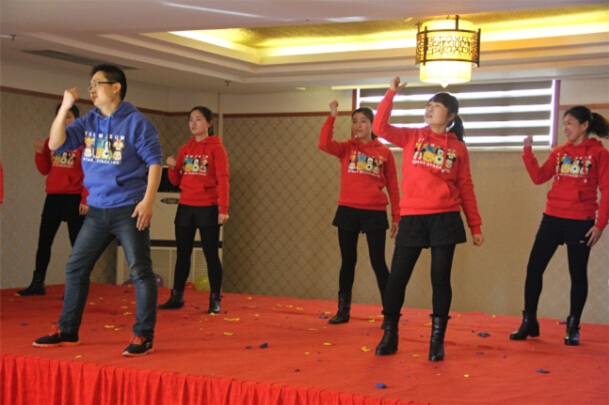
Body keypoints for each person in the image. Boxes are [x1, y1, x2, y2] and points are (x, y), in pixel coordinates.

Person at [32, 64, 163, 357]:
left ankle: (144, 336)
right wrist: (65, 107)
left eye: (97, 84)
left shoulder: (137, 123)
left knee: (140, 271)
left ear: (116, 88)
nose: (91, 89)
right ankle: (68, 331)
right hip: (96, 209)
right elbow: (56, 143)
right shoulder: (89, 121)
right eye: (89, 84)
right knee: (76, 267)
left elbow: (155, 162)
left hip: (129, 208)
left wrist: (147, 201)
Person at [372, 77, 484, 362]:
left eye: (437, 106)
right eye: (429, 104)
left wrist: (475, 225)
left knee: (440, 280)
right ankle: (390, 334)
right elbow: (380, 128)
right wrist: (391, 93)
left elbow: (466, 188)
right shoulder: (412, 136)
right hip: (413, 217)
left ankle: (437, 341)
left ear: (451, 116)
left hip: (445, 219)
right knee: (397, 278)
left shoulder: (458, 148)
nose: (430, 109)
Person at [510, 106, 609, 346]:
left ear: (584, 125)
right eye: (564, 123)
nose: (565, 128)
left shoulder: (599, 153)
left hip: (581, 221)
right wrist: (527, 151)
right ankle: (529, 321)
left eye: (570, 123)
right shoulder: (560, 152)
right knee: (534, 268)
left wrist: (600, 225)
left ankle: (573, 326)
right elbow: (539, 177)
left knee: (577, 274)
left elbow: (607, 190)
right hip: (552, 218)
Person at [318, 100, 399, 324]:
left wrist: (397, 216)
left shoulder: (384, 152)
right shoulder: (347, 148)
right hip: (348, 210)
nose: (358, 125)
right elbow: (324, 144)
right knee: (348, 261)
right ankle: (343, 311)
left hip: (374, 212)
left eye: (363, 121)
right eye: (354, 121)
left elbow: (393, 187)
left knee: (378, 262)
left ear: (372, 124)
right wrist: (332, 117)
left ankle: (390, 313)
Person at [157, 106, 229, 314]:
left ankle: (215, 299)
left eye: (198, 119)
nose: (193, 123)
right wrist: (172, 167)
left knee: (210, 254)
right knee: (183, 253)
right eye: (190, 119)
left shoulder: (217, 148)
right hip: (186, 206)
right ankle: (177, 296)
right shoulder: (185, 149)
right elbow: (176, 181)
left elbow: (223, 179)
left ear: (209, 123)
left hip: (208, 206)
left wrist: (223, 208)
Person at [18, 104, 88, 296]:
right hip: (53, 197)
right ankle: (38, 282)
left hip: (74, 197)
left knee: (77, 245)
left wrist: (85, 199)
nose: (64, 120)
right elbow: (45, 170)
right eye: (61, 117)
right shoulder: (53, 141)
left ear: (77, 120)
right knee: (44, 241)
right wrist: (39, 152)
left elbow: (89, 173)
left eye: (68, 117)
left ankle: (76, 286)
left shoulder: (83, 142)